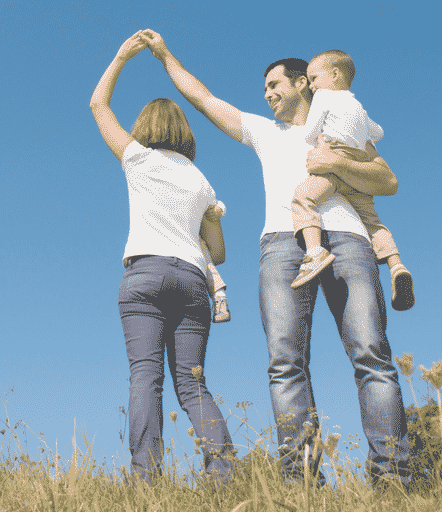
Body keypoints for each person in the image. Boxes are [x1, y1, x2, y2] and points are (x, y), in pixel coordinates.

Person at [139, 29, 412, 488]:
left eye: (274, 85)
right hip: (283, 245)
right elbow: (203, 98)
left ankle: (393, 479)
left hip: (348, 238)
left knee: (372, 354)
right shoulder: (265, 132)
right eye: (264, 89)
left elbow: (387, 180)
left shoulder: (339, 125)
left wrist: (334, 163)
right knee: (286, 363)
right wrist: (165, 54)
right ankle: (302, 480)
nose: (266, 94)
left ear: (304, 82)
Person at [90, 31, 235, 484]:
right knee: (193, 384)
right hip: (192, 282)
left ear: (145, 128)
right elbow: (221, 254)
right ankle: (223, 475)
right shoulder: (201, 181)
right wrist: (212, 218)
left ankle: (146, 478)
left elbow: (98, 105)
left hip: (146, 275)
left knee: (145, 377)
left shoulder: (137, 158)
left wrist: (121, 57)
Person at [290, 50, 414, 312]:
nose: (312, 86)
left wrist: (318, 141)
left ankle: (314, 252)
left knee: (304, 196)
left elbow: (309, 133)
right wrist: (355, 132)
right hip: (358, 163)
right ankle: (396, 265)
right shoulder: (358, 106)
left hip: (333, 156)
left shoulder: (323, 97)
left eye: (314, 78)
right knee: (372, 220)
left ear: (334, 75)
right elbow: (378, 133)